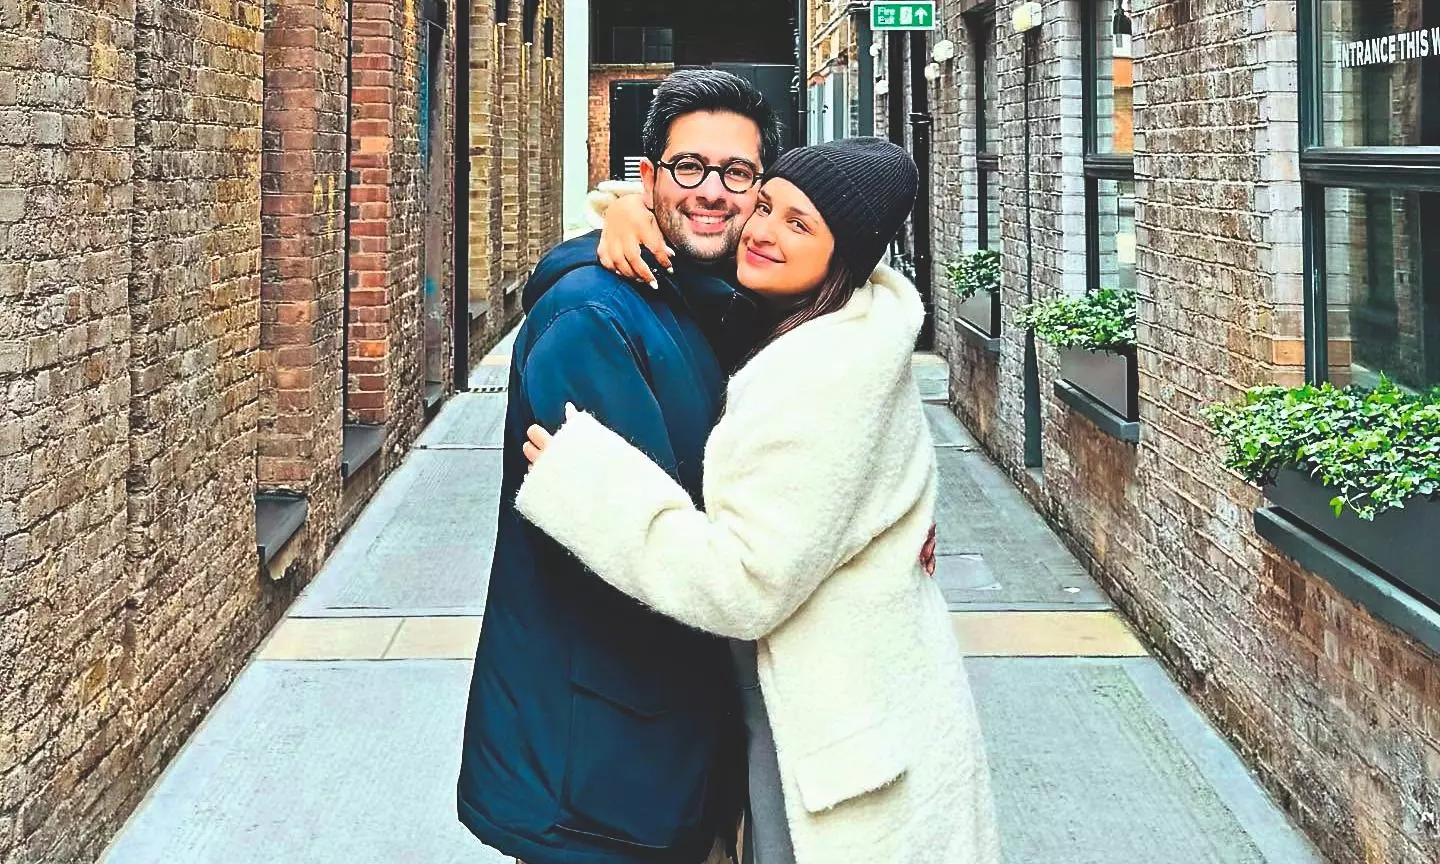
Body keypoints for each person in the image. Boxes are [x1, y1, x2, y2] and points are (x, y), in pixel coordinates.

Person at [515, 138, 1000, 864]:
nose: (764, 231)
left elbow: (746, 583)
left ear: (845, 255)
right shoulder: (831, 318)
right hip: (844, 702)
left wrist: (590, 486)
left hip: (831, 740)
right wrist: (625, 211)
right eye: (766, 206)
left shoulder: (822, 377)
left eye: (799, 224)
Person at [456, 69, 782, 864]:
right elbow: (654, 552)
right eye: (689, 167)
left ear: (761, 189)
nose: (712, 191)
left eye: (737, 173)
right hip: (598, 777)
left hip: (663, 756)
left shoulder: (703, 299)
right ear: (649, 177)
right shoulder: (593, 319)